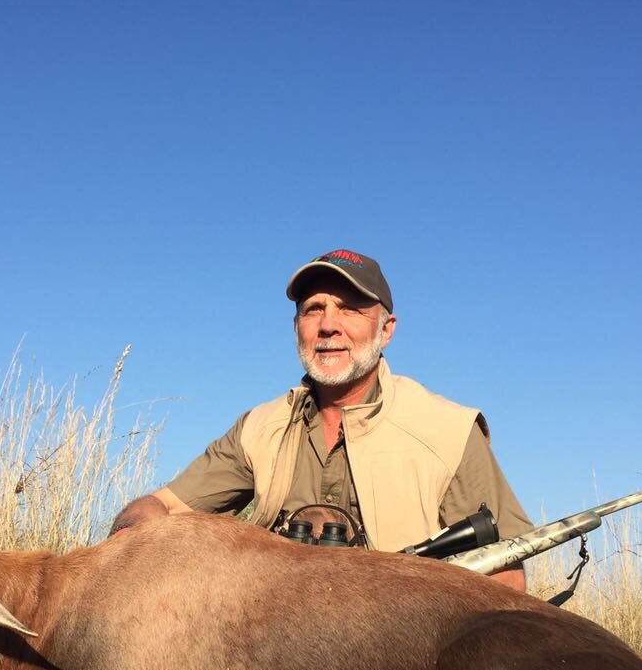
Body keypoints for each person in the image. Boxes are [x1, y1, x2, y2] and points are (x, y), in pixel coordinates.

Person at [110, 249, 533, 591]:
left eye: (349, 309)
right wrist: (137, 539)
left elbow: (508, 579)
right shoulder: (261, 427)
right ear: (297, 326)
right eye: (314, 309)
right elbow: (163, 506)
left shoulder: (448, 431)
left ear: (386, 329)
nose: (329, 326)